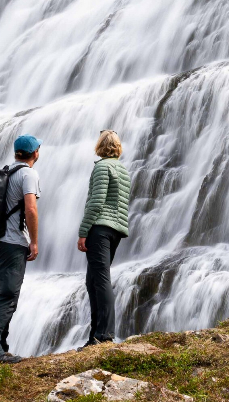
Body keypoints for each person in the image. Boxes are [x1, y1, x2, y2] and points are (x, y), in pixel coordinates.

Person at [0, 133, 42, 364]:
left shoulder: (6, 172)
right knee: (7, 295)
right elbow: (31, 209)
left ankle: (1, 347)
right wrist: (34, 241)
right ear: (35, 153)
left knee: (7, 294)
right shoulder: (28, 174)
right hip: (13, 243)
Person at [77, 129, 132, 347]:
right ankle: (95, 334)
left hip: (99, 228)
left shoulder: (101, 167)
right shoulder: (123, 170)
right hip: (116, 229)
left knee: (100, 280)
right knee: (92, 281)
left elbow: (97, 201)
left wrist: (83, 231)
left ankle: (105, 334)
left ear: (100, 146)